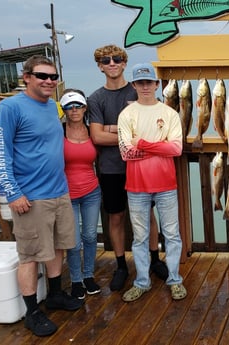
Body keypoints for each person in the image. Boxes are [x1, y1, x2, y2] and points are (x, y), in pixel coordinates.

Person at [0, 55, 83, 337]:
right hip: (29, 198)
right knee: (30, 256)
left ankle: (55, 294)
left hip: (59, 191)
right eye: (42, 76)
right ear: (26, 77)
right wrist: (13, 193)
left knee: (58, 246)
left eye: (53, 77)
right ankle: (32, 311)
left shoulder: (52, 107)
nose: (49, 82)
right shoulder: (9, 108)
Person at [87, 44, 168, 292]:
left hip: (142, 167)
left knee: (149, 216)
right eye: (106, 60)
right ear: (100, 66)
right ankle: (121, 265)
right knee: (116, 216)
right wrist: (129, 134)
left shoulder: (139, 90)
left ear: (124, 63)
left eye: (117, 59)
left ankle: (155, 260)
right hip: (111, 169)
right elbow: (97, 137)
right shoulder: (95, 98)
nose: (112, 63)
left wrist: (112, 128)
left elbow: (154, 129)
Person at [117, 63, 186, 302]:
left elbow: (176, 148)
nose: (145, 87)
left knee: (172, 235)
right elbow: (126, 153)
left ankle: (175, 279)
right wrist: (160, 147)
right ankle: (142, 282)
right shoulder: (126, 114)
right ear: (134, 85)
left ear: (157, 85)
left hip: (166, 184)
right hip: (136, 186)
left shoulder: (170, 113)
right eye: (140, 82)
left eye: (149, 82)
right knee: (140, 237)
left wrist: (144, 144)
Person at [60, 89, 102, 299]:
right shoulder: (58, 132)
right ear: (64, 109)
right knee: (74, 241)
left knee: (90, 236)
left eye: (78, 105)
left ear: (85, 108)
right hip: (66, 194)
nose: (74, 110)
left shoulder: (91, 132)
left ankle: (88, 276)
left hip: (91, 192)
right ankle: (76, 280)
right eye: (69, 106)